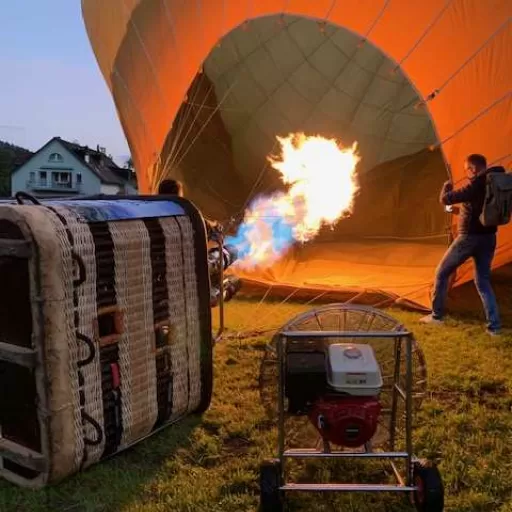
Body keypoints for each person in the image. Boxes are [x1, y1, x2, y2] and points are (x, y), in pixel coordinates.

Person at [420, 154, 501, 335]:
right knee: (483, 281)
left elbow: (446, 199)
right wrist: (455, 210)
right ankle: (494, 327)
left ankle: (436, 316)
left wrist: (445, 188)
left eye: (466, 170)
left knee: (441, 273)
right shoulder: (492, 184)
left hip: (468, 239)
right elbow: (475, 208)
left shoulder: (476, 184)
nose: (467, 174)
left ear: (473, 168)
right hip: (489, 238)